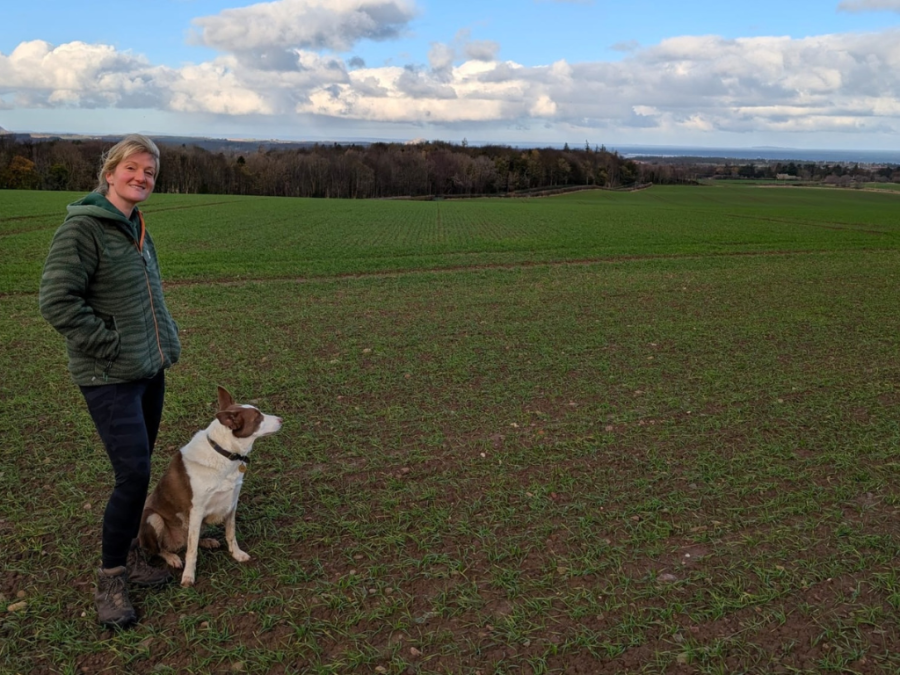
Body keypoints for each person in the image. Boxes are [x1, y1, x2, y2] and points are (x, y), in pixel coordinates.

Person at [39, 134, 181, 629]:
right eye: (133, 169)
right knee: (133, 475)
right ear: (110, 172)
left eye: (150, 173)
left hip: (148, 369)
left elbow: (148, 295)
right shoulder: (82, 230)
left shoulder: (135, 226)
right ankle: (112, 578)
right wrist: (109, 344)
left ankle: (133, 557)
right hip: (109, 376)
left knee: (137, 469)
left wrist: (165, 338)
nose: (141, 178)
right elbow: (57, 301)